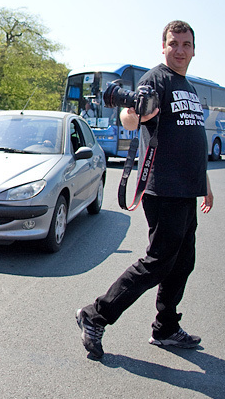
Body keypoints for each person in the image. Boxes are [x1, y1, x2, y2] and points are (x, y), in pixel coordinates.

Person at [75, 20, 213, 360]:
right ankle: (95, 316)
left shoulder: (187, 85)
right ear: (163, 47)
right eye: (173, 43)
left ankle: (165, 328)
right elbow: (129, 116)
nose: (180, 49)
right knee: (157, 263)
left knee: (182, 262)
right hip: (163, 186)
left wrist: (205, 185)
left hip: (186, 189)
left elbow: (192, 137)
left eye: (186, 44)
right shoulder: (157, 78)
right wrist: (135, 114)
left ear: (194, 49)